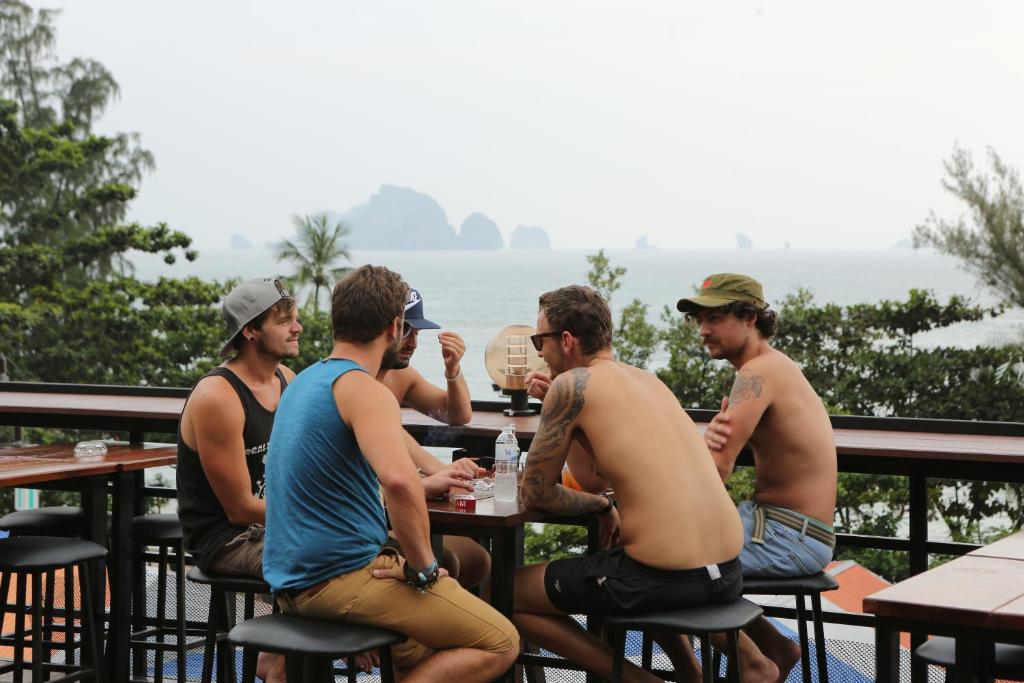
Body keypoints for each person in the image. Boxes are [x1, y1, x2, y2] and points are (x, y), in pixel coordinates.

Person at [263, 265, 519, 682]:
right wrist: (424, 570)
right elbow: (400, 484)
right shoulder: (365, 389)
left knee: (420, 652)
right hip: (339, 580)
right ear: (394, 326)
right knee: (501, 641)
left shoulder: (304, 381)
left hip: (293, 582)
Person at [513, 285, 746, 683]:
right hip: (727, 573)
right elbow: (594, 478)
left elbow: (534, 492)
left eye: (540, 340)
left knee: (502, 591)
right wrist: (603, 500)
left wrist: (602, 508)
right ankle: (692, 676)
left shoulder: (573, 387)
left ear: (566, 341)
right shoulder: (649, 381)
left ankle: (640, 681)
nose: (538, 351)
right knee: (631, 553)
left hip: (664, 580)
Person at [677, 272, 839, 681]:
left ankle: (751, 664)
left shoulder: (757, 374)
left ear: (749, 316)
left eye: (714, 318)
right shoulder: (771, 367)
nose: (703, 330)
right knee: (664, 549)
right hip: (783, 526)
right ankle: (773, 648)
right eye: (699, 319)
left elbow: (717, 469)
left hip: (791, 535)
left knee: (660, 561)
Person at [177, 277, 301, 683]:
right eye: (284, 321)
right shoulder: (219, 397)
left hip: (273, 527)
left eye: (295, 319)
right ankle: (281, 661)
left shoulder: (287, 380)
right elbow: (240, 508)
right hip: (225, 537)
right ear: (250, 331)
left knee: (364, 548)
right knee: (319, 558)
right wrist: (314, 517)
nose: (297, 328)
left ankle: (280, 658)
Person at [377, 287, 490, 588]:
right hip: (370, 519)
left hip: (394, 507)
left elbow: (458, 415)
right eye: (407, 331)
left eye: (417, 333)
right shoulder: (355, 387)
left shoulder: (400, 376)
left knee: (478, 559)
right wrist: (425, 484)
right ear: (386, 327)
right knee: (447, 559)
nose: (413, 342)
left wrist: (452, 369)